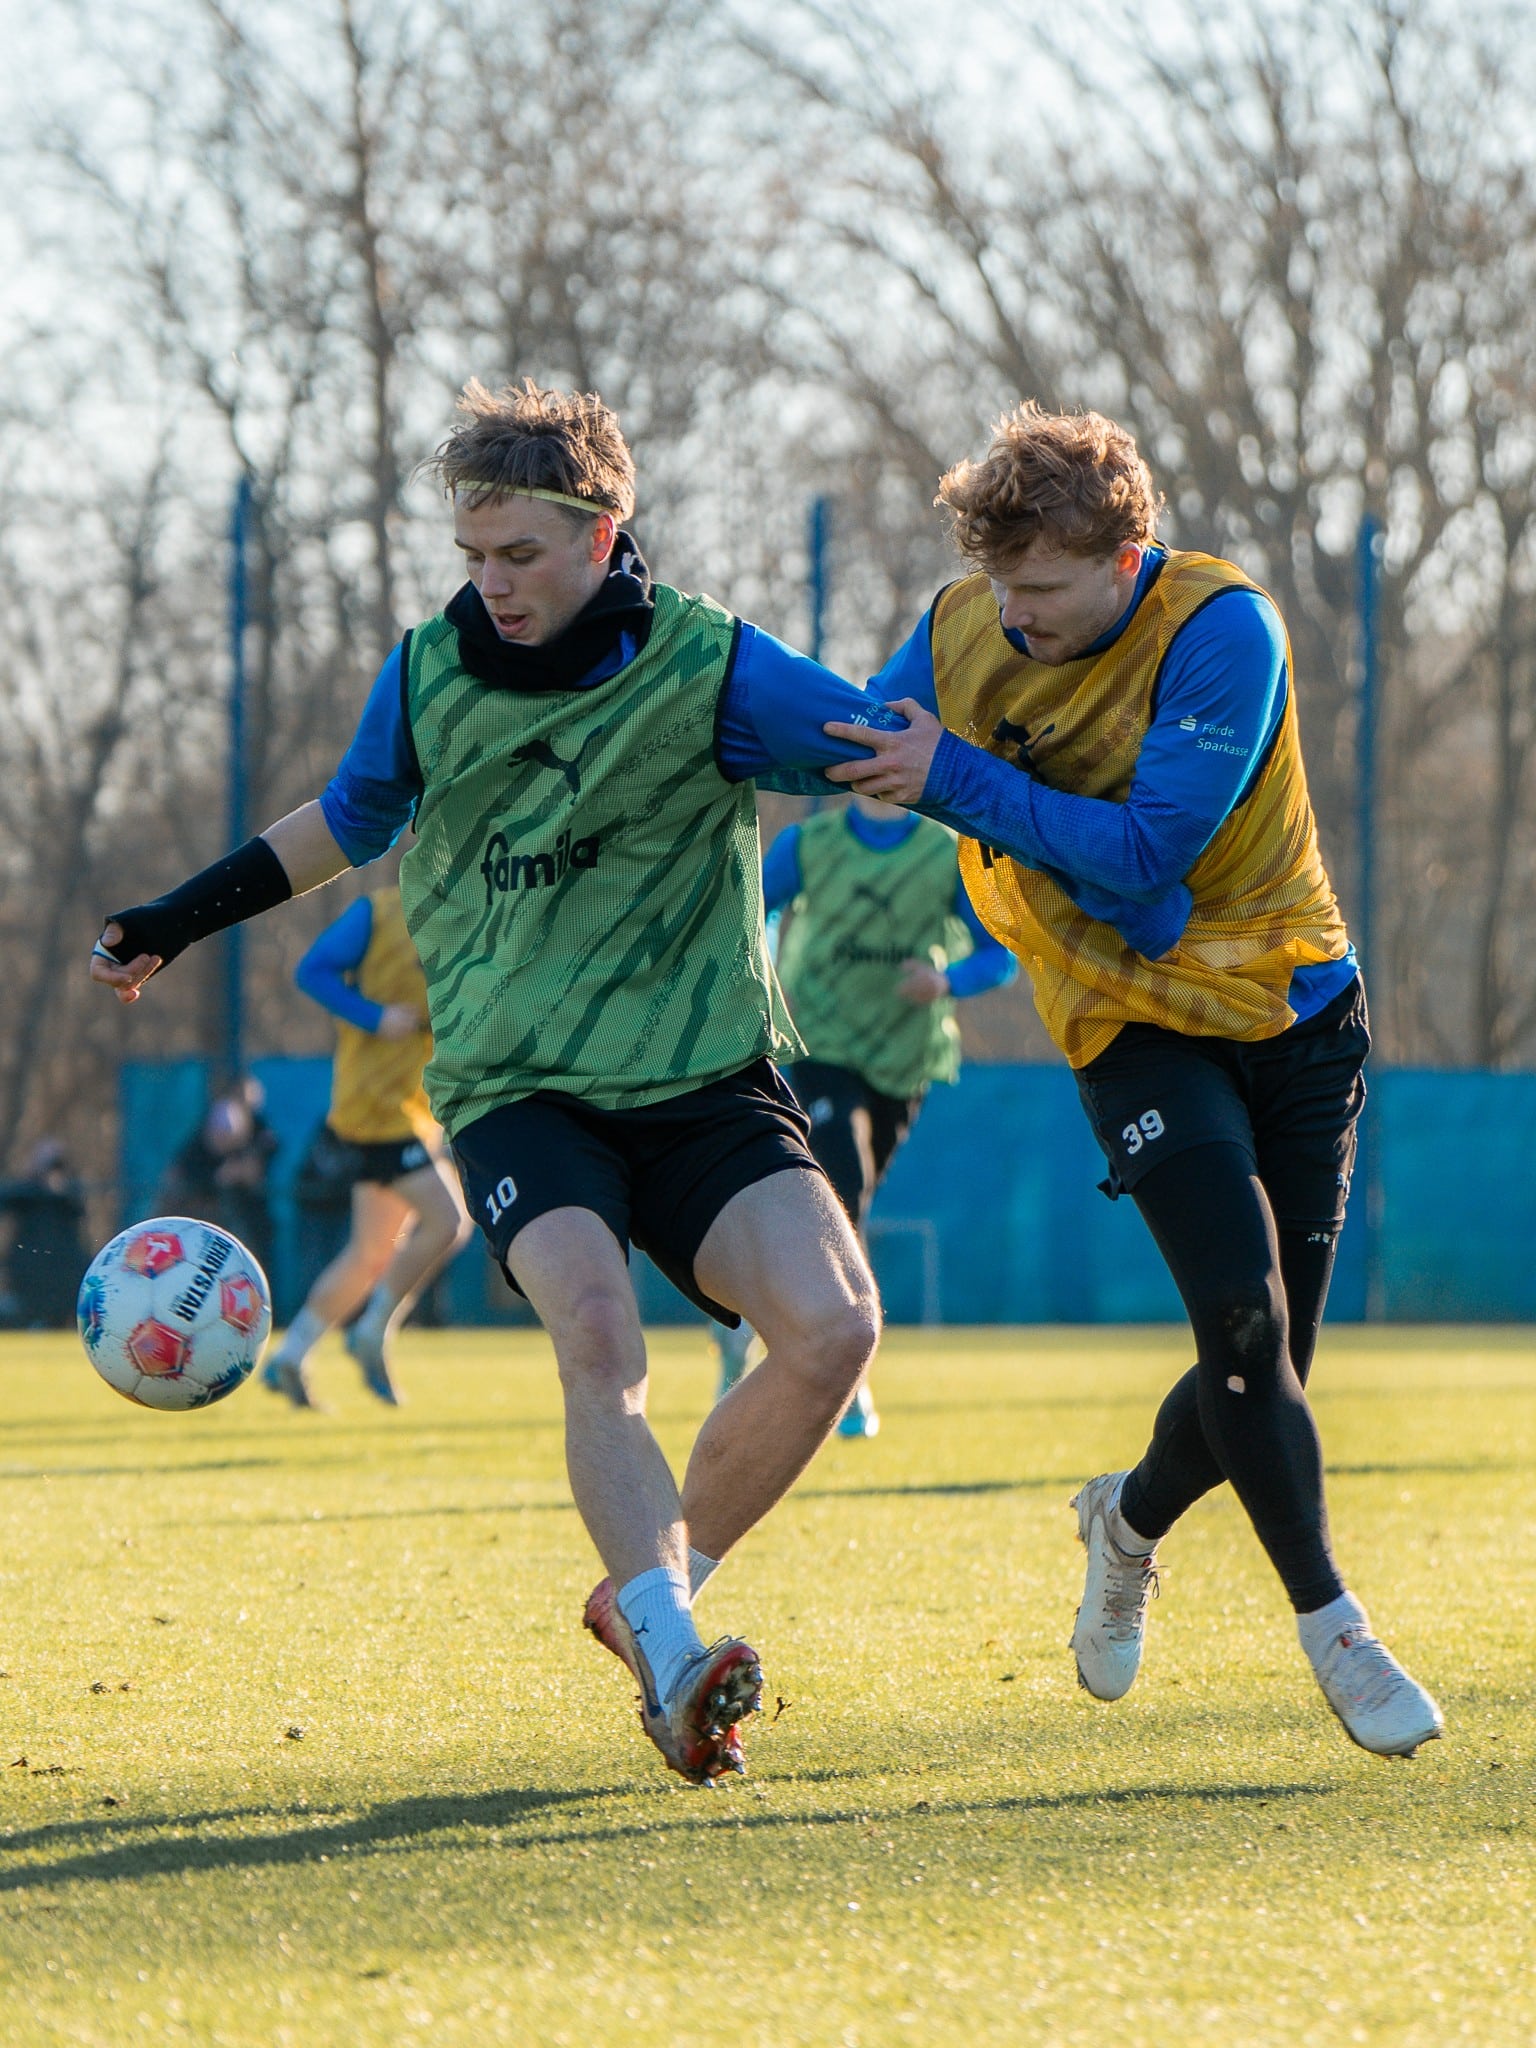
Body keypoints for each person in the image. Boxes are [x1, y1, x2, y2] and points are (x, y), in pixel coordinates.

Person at [89, 379, 1194, 1786]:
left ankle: (652, 1596)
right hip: (515, 1089)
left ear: (606, 533)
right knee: (601, 1335)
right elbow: (347, 823)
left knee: (835, 1331)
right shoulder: (429, 673)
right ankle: (677, 1648)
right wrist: (175, 917)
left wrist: (1092, 830)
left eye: (522, 556)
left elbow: (886, 745)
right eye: (475, 557)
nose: (492, 586)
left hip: (706, 1080)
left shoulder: (714, 668)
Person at [815, 400, 1441, 1759]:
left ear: (1126, 555)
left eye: (1041, 589)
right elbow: (858, 738)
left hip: (1291, 1006)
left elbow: (1151, 853)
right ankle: (1340, 1632)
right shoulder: (965, 624)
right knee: (1240, 1327)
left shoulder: (1226, 630)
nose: (1015, 618)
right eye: (1000, 585)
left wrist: (954, 779)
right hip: (1124, 1019)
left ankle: (1130, 1519)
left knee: (1278, 1357)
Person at [714, 794, 1017, 1432]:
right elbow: (747, 915)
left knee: (852, 1200)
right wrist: (763, 967)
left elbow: (1001, 955)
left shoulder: (947, 851)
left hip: (905, 1060)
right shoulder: (807, 846)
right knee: (841, 1185)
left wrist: (947, 982)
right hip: (819, 1044)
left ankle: (752, 1323)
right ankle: (845, 1371)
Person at [262, 886, 470, 1409]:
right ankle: (372, 1329)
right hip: (375, 1109)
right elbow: (312, 972)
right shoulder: (380, 913)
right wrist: (374, 1016)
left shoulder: (479, 916)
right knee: (448, 1222)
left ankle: (292, 1354)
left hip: (410, 1110)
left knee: (371, 1253)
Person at [161, 1076, 276, 1278]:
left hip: (246, 1220)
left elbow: (256, 1167)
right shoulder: (197, 1152)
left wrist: (241, 1171)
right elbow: (178, 1174)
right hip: (206, 1221)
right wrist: (217, 1178)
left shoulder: (259, 1135)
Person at [0, 1140, 88, 1329]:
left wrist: (57, 1187)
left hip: (64, 1267)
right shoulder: (26, 1193)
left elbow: (78, 1209)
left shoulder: (69, 1194)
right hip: (30, 1266)